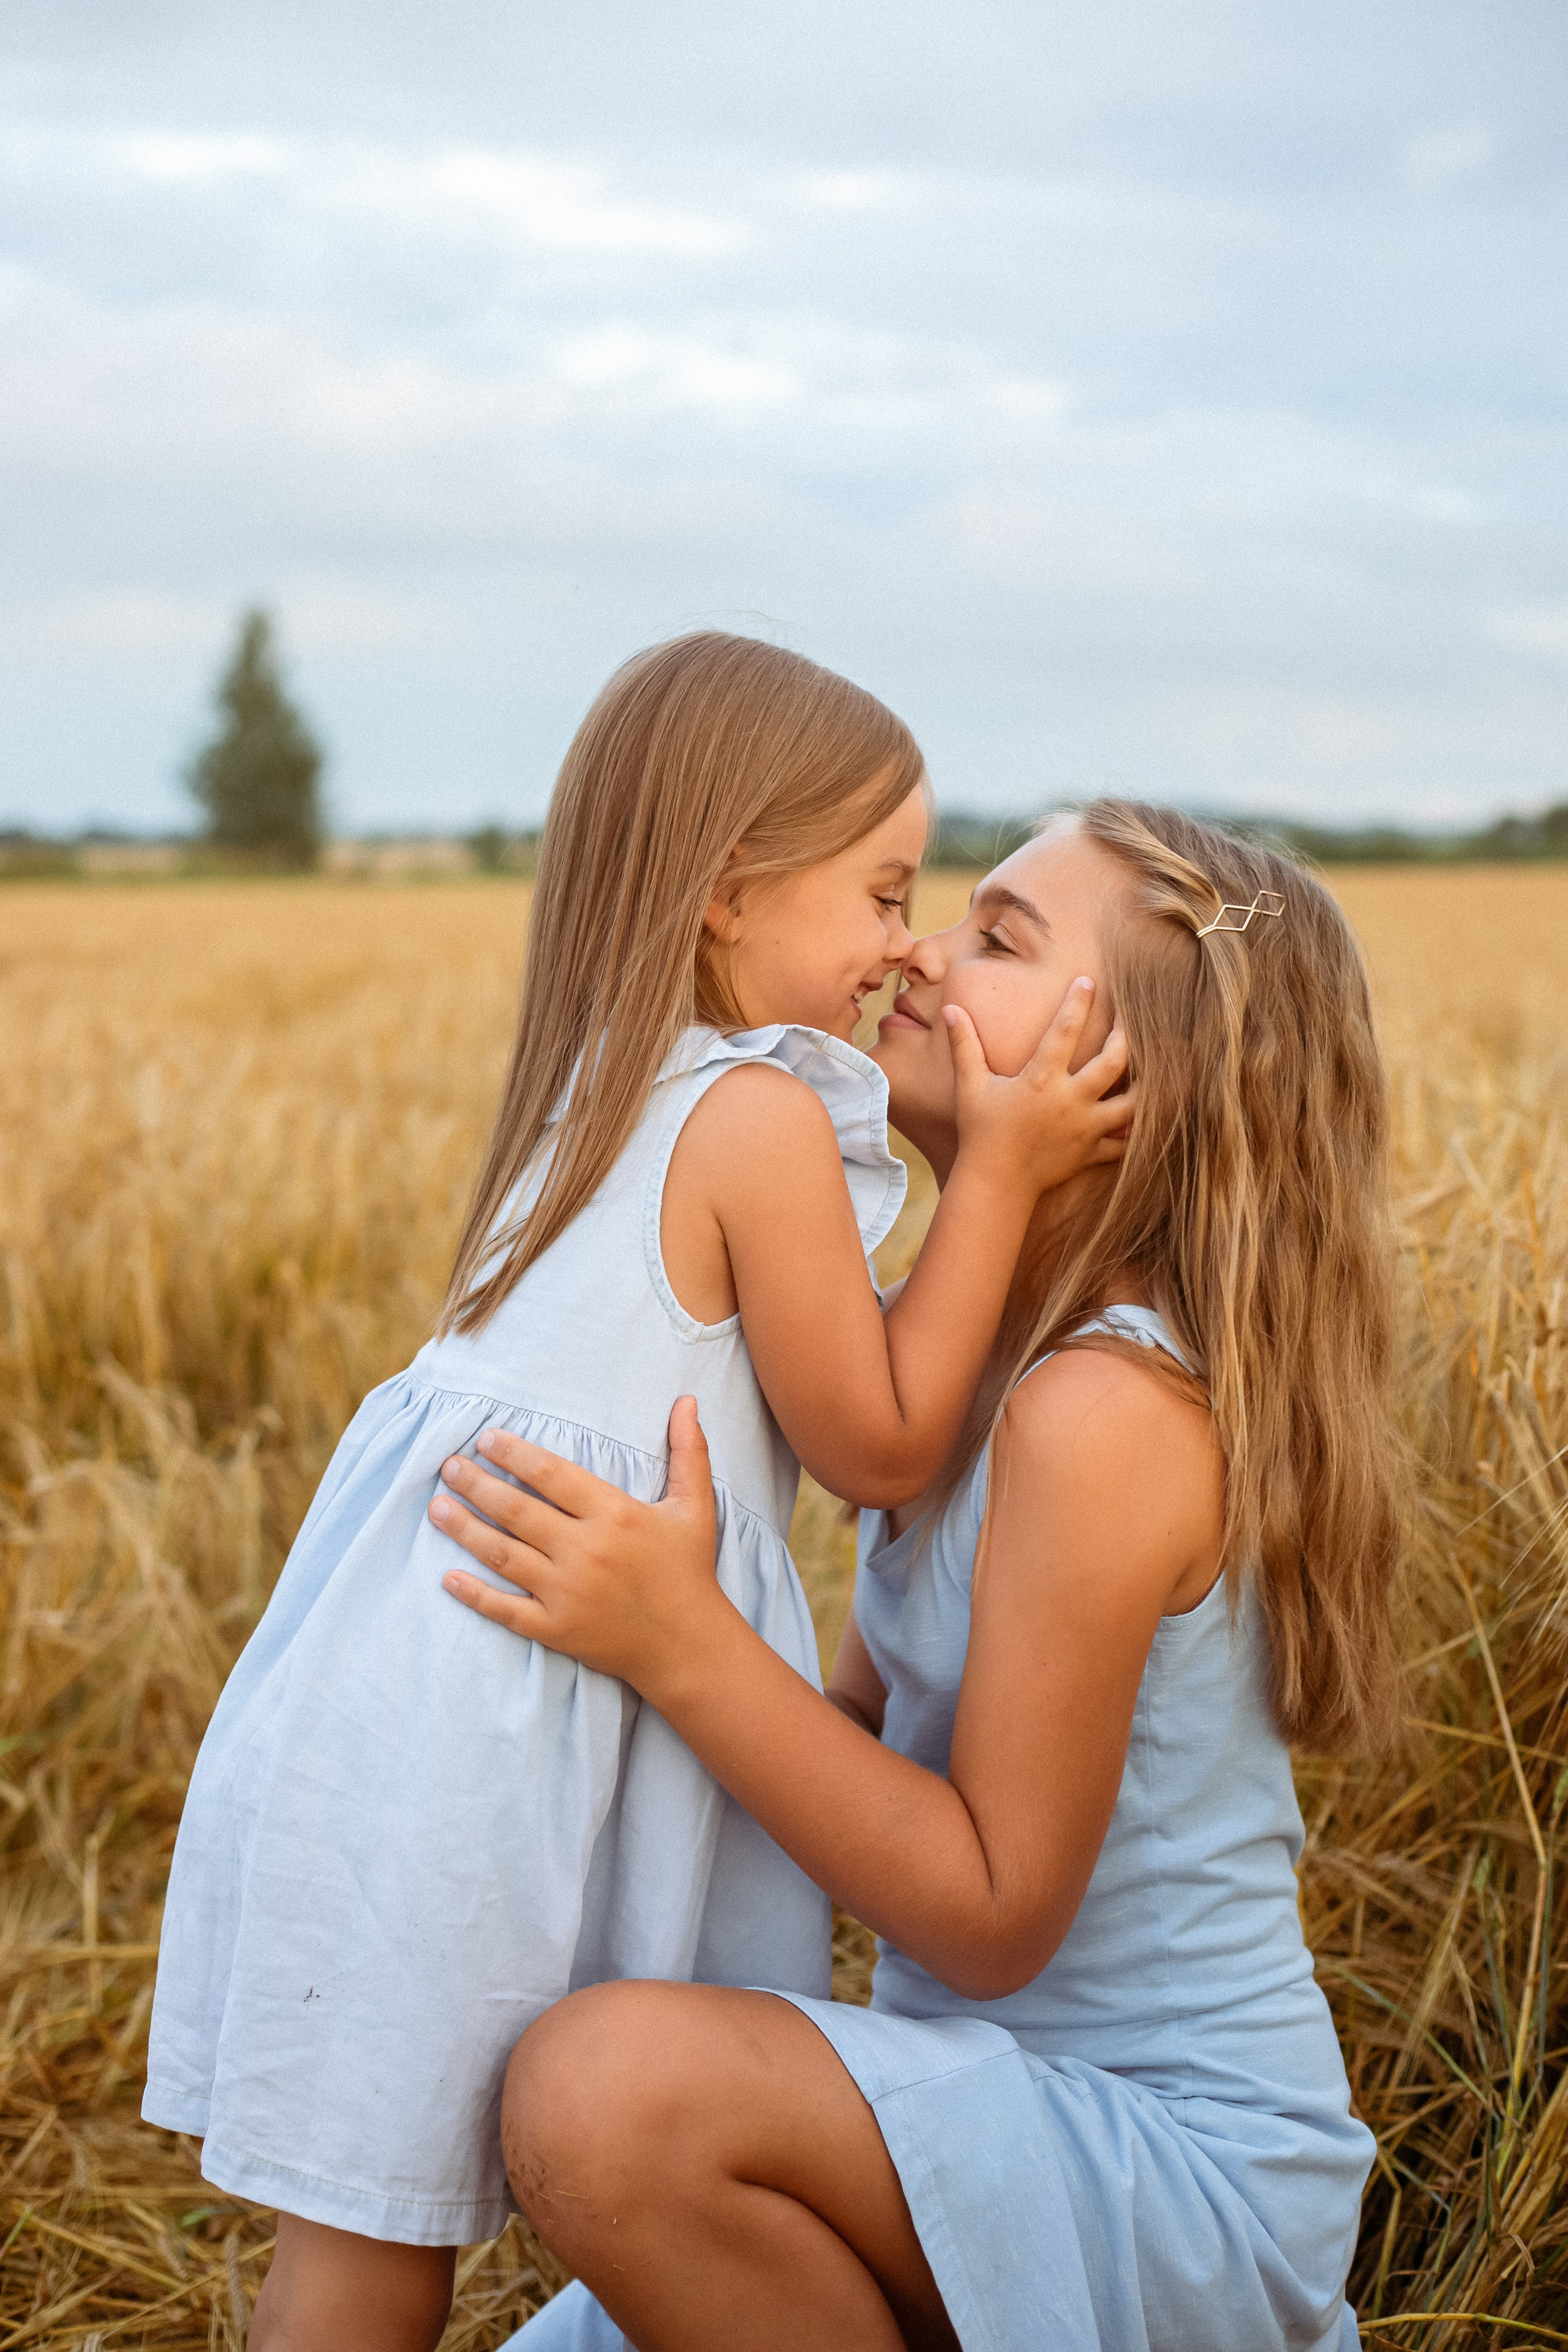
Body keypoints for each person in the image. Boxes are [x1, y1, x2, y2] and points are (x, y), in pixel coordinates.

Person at [142, 633, 1131, 2351]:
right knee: (391, 2254)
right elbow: (882, 1440)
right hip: (501, 1733)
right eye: (886, 891)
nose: (907, 945)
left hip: (410, 1703)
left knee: (363, 2245)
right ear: (731, 892)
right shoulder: (751, 1115)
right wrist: (1017, 1181)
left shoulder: (595, 1097)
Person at [437, 801, 1401, 2352]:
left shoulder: (1102, 1418)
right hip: (972, 2112)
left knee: (602, 2096)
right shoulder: (960, 1372)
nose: (914, 952)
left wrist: (680, 1643)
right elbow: (855, 1739)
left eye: (997, 937)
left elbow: (992, 1915)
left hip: (1165, 2163)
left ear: (1137, 1076)